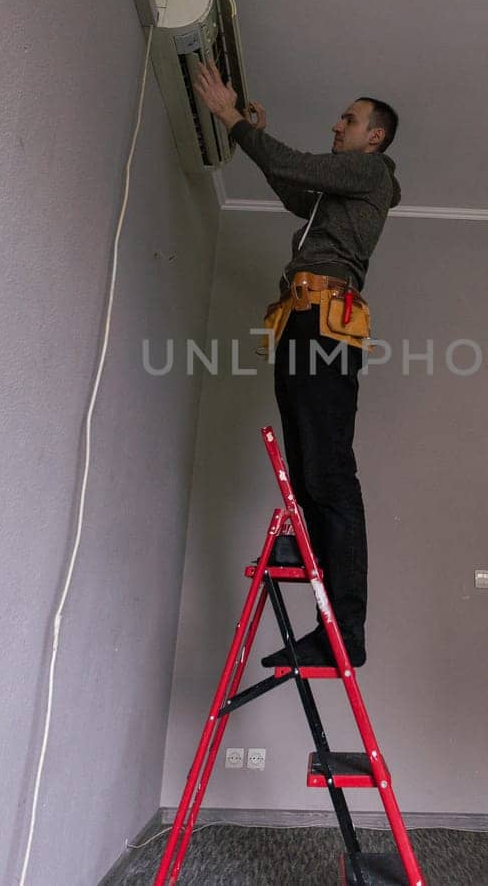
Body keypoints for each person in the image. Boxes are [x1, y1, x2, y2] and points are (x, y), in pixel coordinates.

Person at [192, 61, 401, 668]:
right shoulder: (349, 187)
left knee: (329, 473)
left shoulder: (371, 171)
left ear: (375, 137)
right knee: (311, 474)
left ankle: (347, 631)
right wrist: (255, 133)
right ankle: (331, 627)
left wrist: (232, 118)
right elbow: (299, 193)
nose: (338, 125)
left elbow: (295, 166)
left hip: (323, 322)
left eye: (349, 119)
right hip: (303, 320)